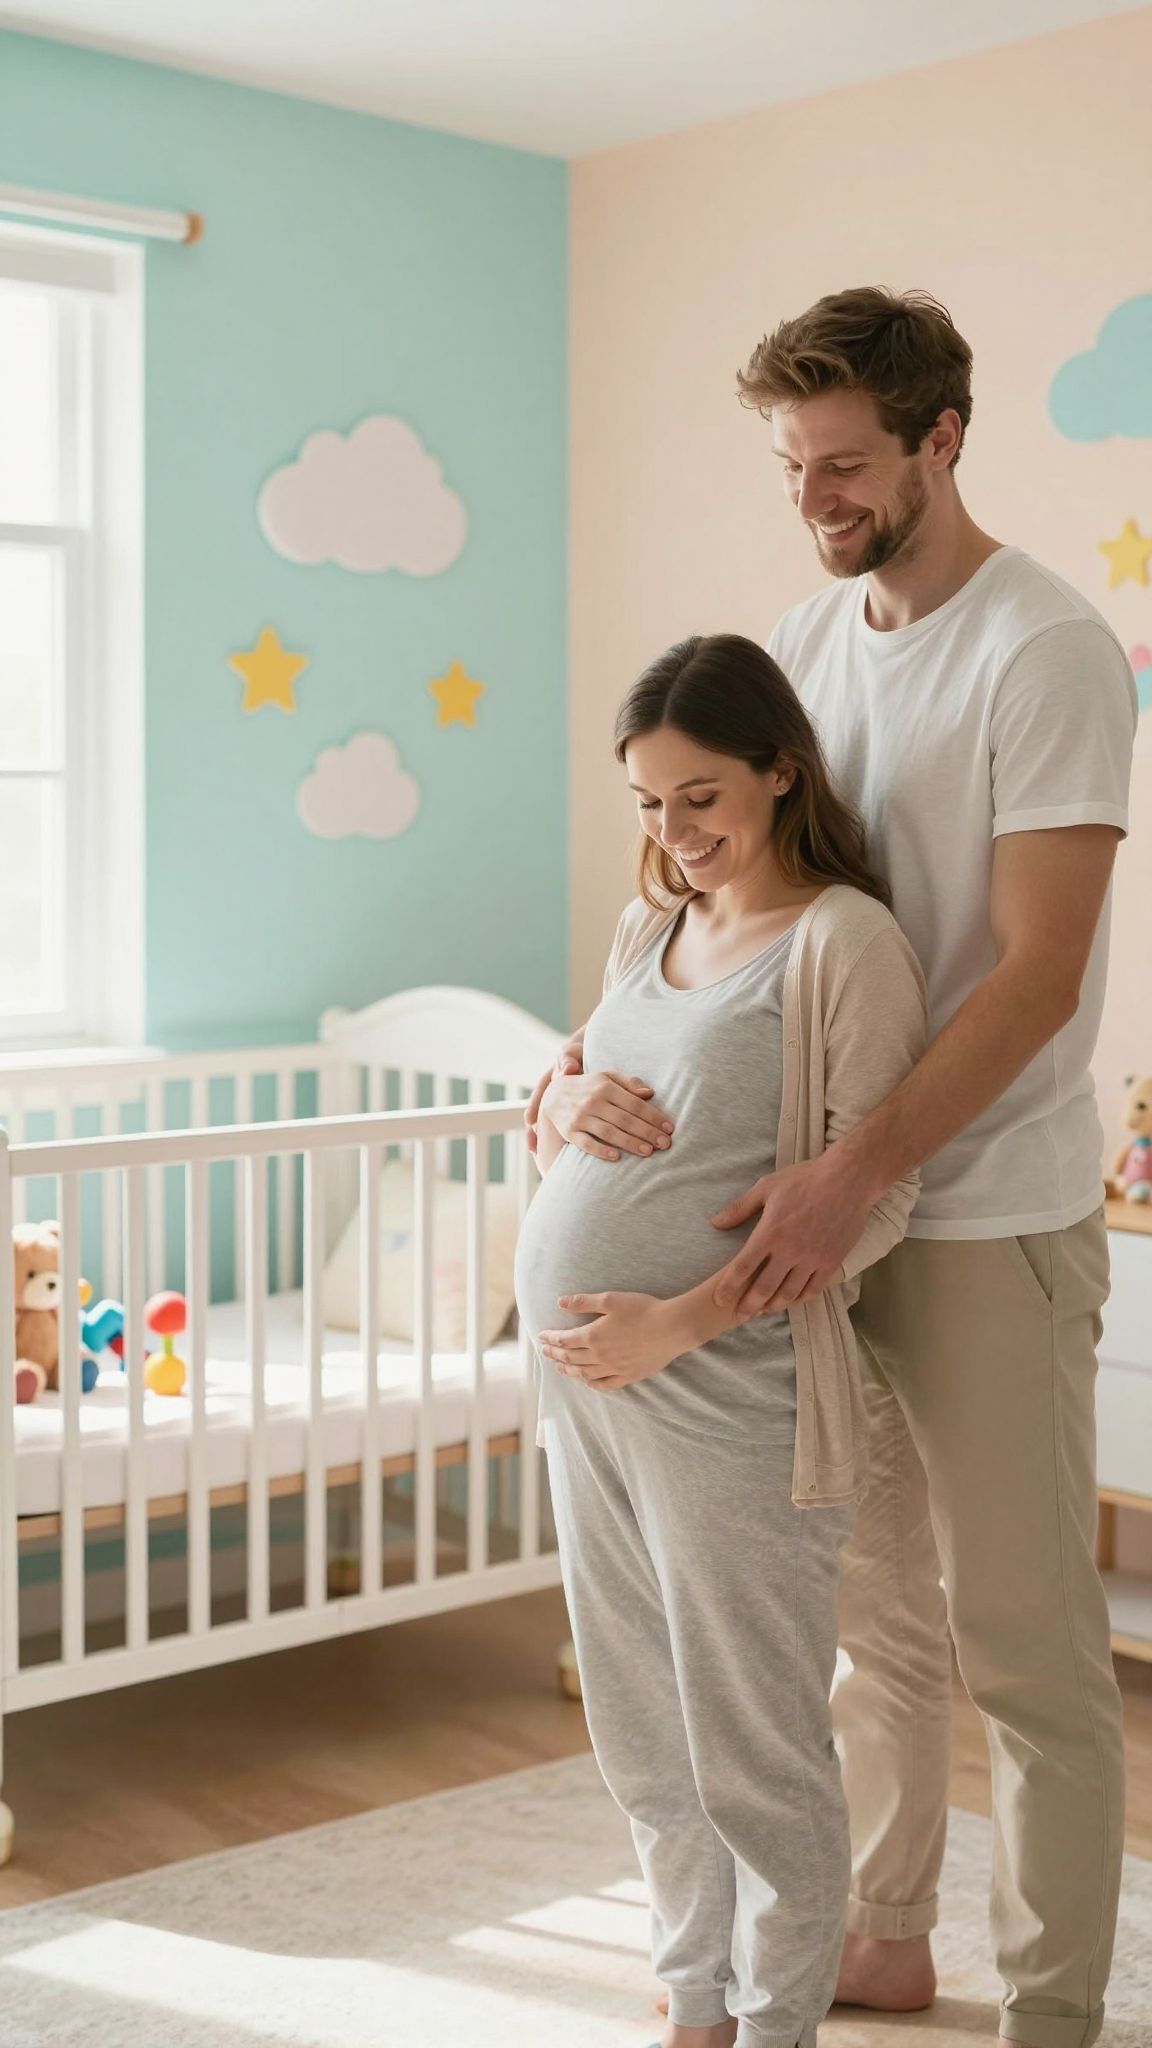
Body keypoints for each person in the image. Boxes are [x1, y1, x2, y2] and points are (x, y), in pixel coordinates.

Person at [531, 289, 1138, 2048]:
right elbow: (721, 883)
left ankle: (1053, 2006)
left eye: (848, 463)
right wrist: (577, 1074)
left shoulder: (1045, 651)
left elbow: (1032, 973)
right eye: (795, 466)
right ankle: (879, 1932)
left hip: (978, 1212)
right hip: (812, 1240)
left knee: (1024, 1647)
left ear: (945, 437)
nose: (817, 497)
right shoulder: (811, 636)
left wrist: (845, 1172)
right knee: (867, 1622)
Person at [516, 630, 928, 2048]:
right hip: (595, 1398)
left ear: (778, 770)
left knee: (754, 1745)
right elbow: (565, 1095)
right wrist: (557, 1111)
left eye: (700, 796)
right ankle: (693, 1996)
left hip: (730, 1394)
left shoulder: (842, 944)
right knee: (641, 1726)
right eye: (645, 800)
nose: (673, 831)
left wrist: (677, 1324)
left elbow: (873, 1199)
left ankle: (776, 2018)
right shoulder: (653, 930)